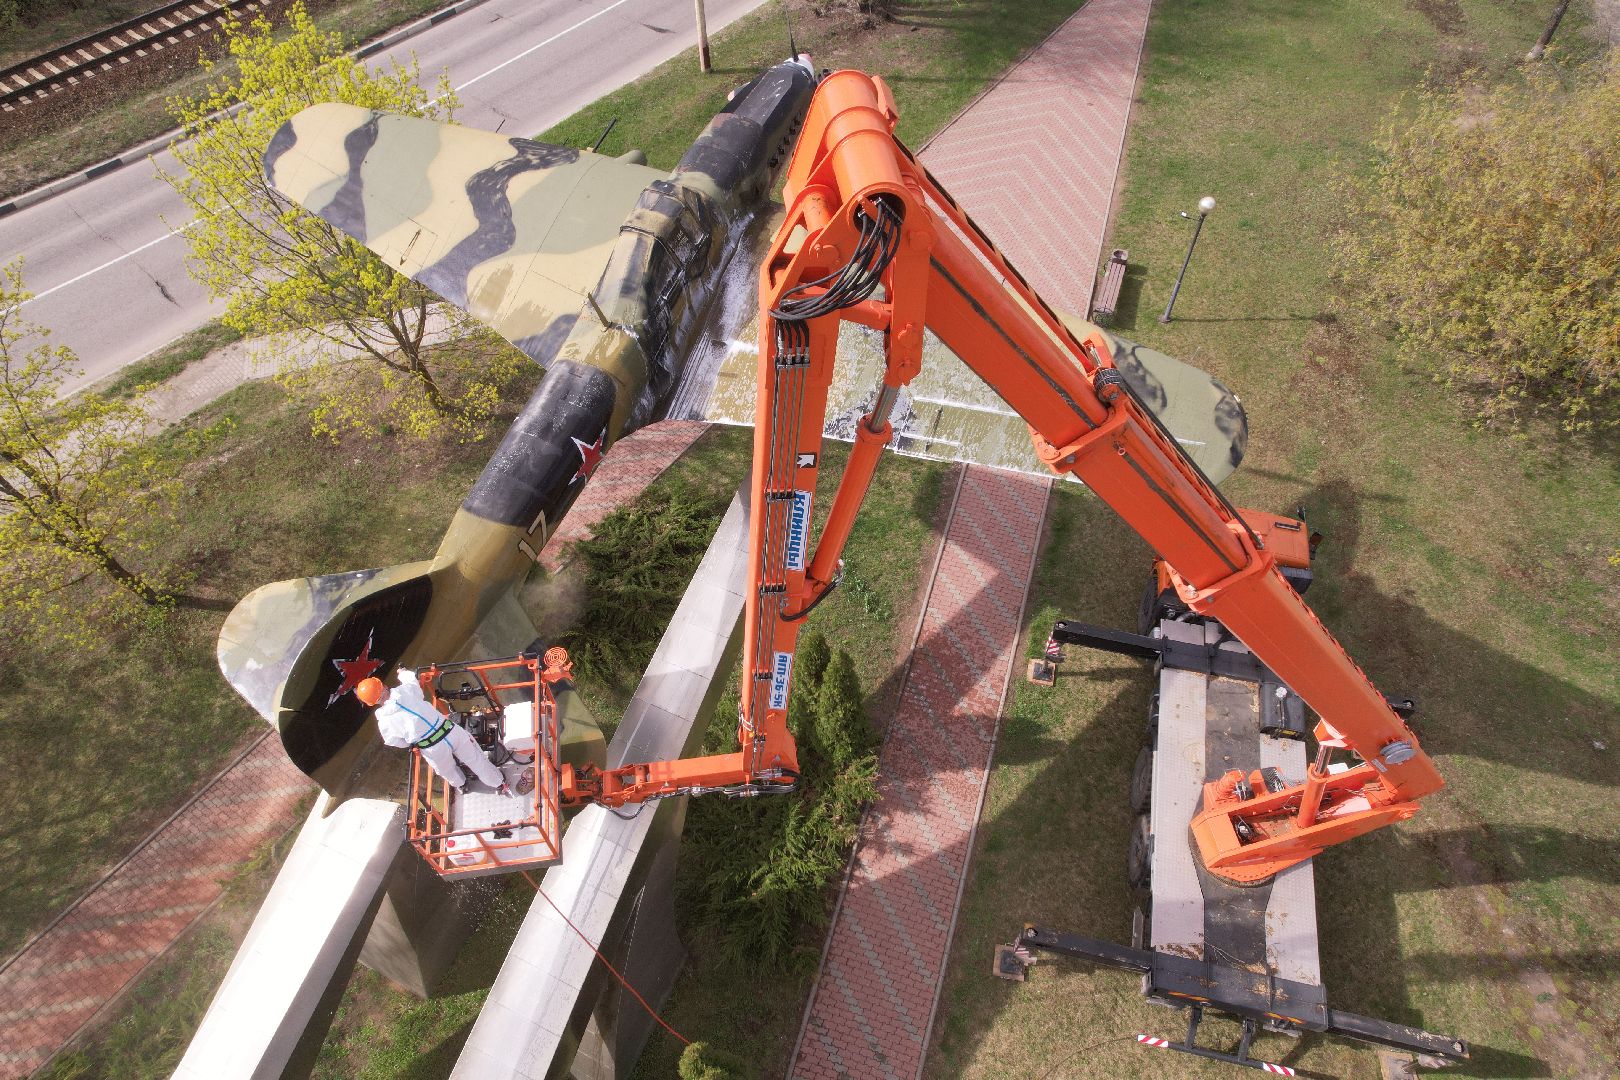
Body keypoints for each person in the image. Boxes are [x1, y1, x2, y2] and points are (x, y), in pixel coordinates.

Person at [358, 669, 508, 794]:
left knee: (446, 770)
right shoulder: (405, 691)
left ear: (373, 703)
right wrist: (402, 672)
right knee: (476, 759)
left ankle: (462, 785)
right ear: (382, 685)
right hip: (450, 731)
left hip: (431, 748)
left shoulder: (384, 721)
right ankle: (499, 783)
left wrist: (411, 742)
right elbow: (412, 681)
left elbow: (394, 741)